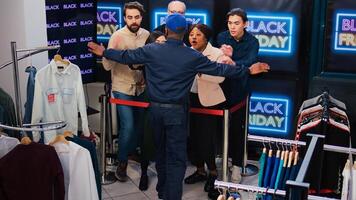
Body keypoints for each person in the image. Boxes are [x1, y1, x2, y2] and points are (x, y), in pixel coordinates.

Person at [88, 13, 269, 200]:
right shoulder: (191, 55)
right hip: (177, 113)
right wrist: (247, 69)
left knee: (161, 153)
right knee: (176, 157)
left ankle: (162, 191)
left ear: (166, 31)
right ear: (184, 34)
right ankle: (171, 195)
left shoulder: (151, 49)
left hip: (155, 111)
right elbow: (221, 69)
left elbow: (125, 56)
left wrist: (104, 52)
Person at [101, 1, 149, 182]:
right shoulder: (117, 36)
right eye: (130, 17)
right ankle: (122, 162)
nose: (133, 20)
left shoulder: (147, 35)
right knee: (128, 126)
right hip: (122, 87)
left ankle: (131, 151)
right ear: (124, 18)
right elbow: (106, 65)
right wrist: (112, 55)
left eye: (136, 17)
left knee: (139, 126)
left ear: (141, 17)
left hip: (141, 87)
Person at [184, 24, 234, 197]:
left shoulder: (217, 54)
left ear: (206, 37)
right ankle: (200, 171)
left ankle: (213, 173)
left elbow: (220, 77)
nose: (194, 38)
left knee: (206, 139)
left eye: (198, 34)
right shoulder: (186, 52)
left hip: (210, 102)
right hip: (190, 99)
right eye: (191, 34)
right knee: (193, 138)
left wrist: (199, 72)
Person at [216, 8, 260, 185]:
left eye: (236, 23)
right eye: (230, 23)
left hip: (240, 91)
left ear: (245, 24)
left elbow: (250, 63)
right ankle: (223, 162)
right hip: (220, 89)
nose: (232, 27)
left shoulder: (253, 41)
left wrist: (233, 62)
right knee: (220, 129)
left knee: (237, 130)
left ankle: (236, 166)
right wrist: (224, 58)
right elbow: (216, 60)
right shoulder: (221, 37)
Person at [138, 30, 166, 191]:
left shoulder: (172, 59)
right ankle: (143, 173)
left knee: (163, 143)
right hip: (149, 102)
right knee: (147, 140)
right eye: (158, 43)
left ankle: (162, 178)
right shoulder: (146, 56)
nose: (161, 46)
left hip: (166, 104)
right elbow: (132, 62)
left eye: (164, 42)